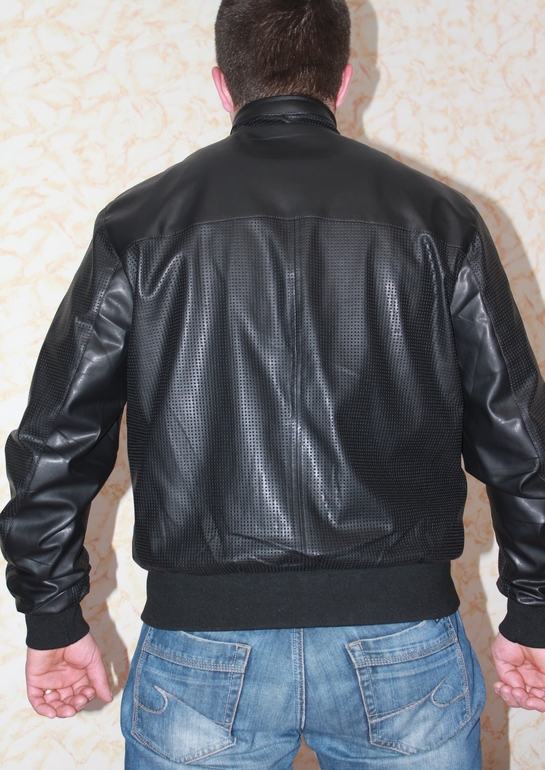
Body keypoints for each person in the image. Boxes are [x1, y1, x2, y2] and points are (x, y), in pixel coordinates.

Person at [1, 0, 545, 767]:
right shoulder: (439, 220)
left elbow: (57, 439)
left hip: (200, 646)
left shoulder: (138, 224)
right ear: (344, 81)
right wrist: (534, 608)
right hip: (399, 642)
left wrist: (53, 616)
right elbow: (519, 435)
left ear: (222, 85)